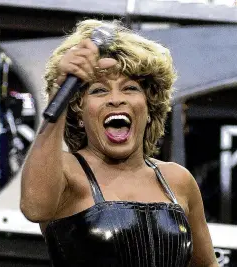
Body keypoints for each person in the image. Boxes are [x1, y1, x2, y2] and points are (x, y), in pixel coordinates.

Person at [20, 19, 218, 267]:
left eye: (130, 88)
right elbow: (34, 208)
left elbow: (207, 264)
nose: (116, 99)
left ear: (149, 109)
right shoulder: (68, 172)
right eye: (99, 90)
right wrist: (59, 95)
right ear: (78, 113)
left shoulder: (177, 180)